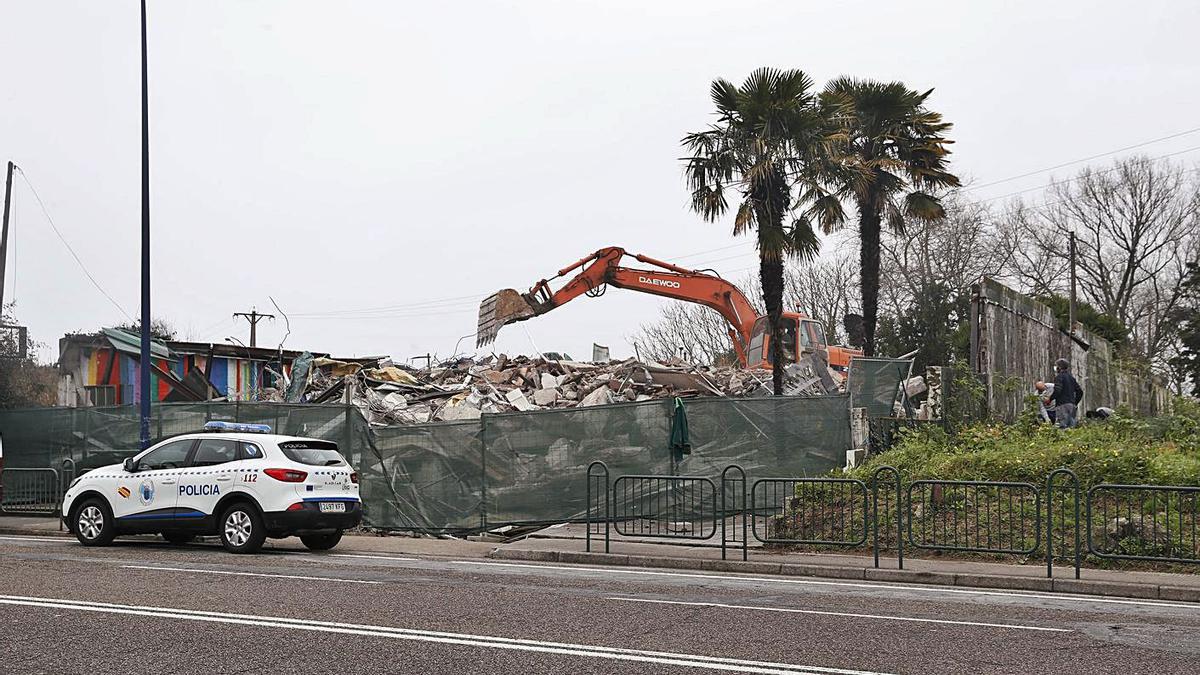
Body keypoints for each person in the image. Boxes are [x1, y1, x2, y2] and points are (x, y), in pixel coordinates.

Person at [1046, 358, 1083, 429]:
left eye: (1056, 366)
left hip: (1062, 405)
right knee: (1071, 428)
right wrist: (1074, 402)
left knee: (1062, 427)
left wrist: (1050, 399)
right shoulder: (1072, 378)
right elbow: (1080, 392)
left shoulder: (1059, 377)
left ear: (1059, 367)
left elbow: (1057, 390)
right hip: (1072, 406)